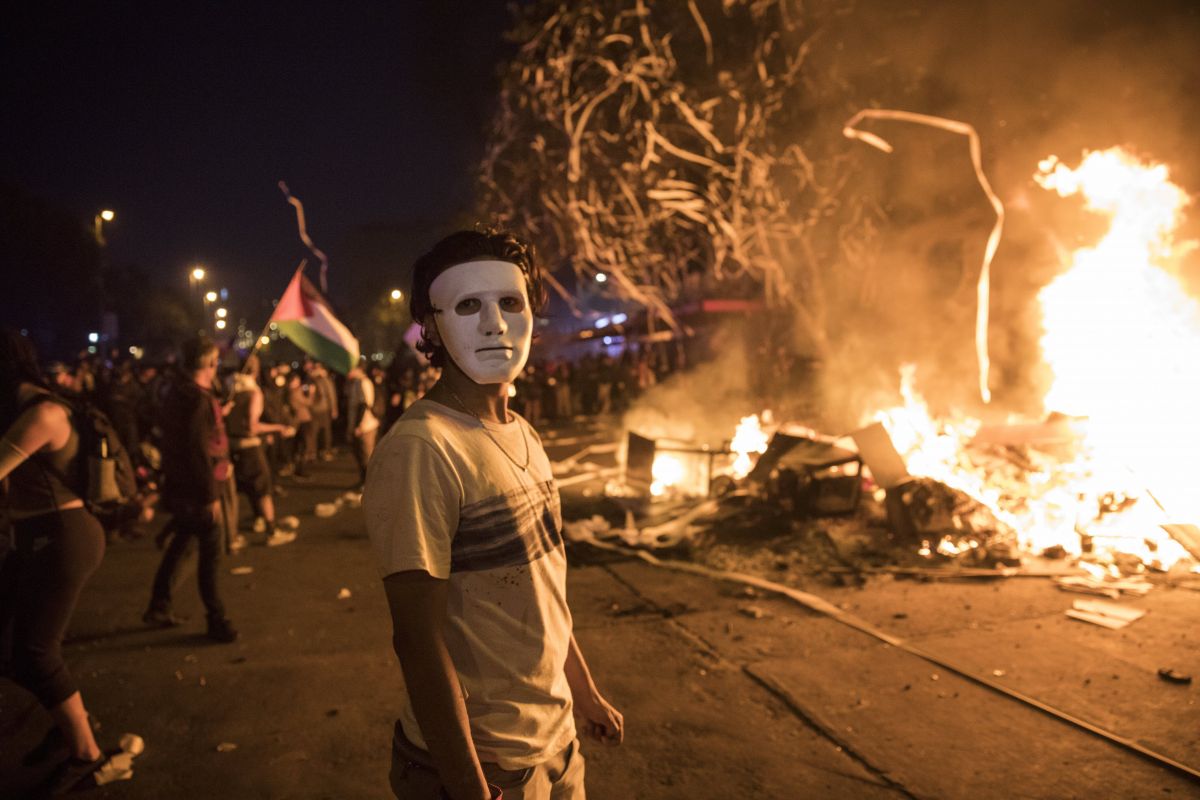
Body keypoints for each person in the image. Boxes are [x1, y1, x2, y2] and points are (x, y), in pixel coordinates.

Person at [364, 227, 623, 800]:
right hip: (487, 766)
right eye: (467, 305)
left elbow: (541, 590)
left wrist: (582, 692)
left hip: (556, 749)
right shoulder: (422, 449)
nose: (494, 324)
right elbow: (417, 639)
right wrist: (468, 785)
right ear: (430, 327)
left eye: (510, 302)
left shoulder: (521, 431)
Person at [0, 329, 111, 795]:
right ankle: (68, 718)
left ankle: (86, 753)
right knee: (8, 644)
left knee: (35, 651)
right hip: (35, 537)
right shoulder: (24, 411)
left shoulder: (43, 413)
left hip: (63, 537)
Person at [143, 335, 238, 643]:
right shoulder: (198, 399)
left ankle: (159, 604)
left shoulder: (180, 394)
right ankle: (216, 618)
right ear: (209, 362)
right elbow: (196, 449)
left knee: (182, 543)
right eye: (215, 361)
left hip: (182, 485)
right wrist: (210, 495)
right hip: (199, 490)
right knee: (210, 555)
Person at [224, 355, 296, 548]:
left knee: (241, 489)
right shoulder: (253, 393)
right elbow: (252, 426)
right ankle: (271, 531)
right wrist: (278, 428)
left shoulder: (229, 390)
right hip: (249, 447)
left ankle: (236, 532)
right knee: (263, 488)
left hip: (231, 446)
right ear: (255, 371)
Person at [344, 360, 380, 489]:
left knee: (366, 454)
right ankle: (363, 480)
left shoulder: (364, 382)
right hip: (359, 425)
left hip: (366, 425)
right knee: (359, 454)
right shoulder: (355, 383)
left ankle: (370, 484)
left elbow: (364, 405)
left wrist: (359, 426)